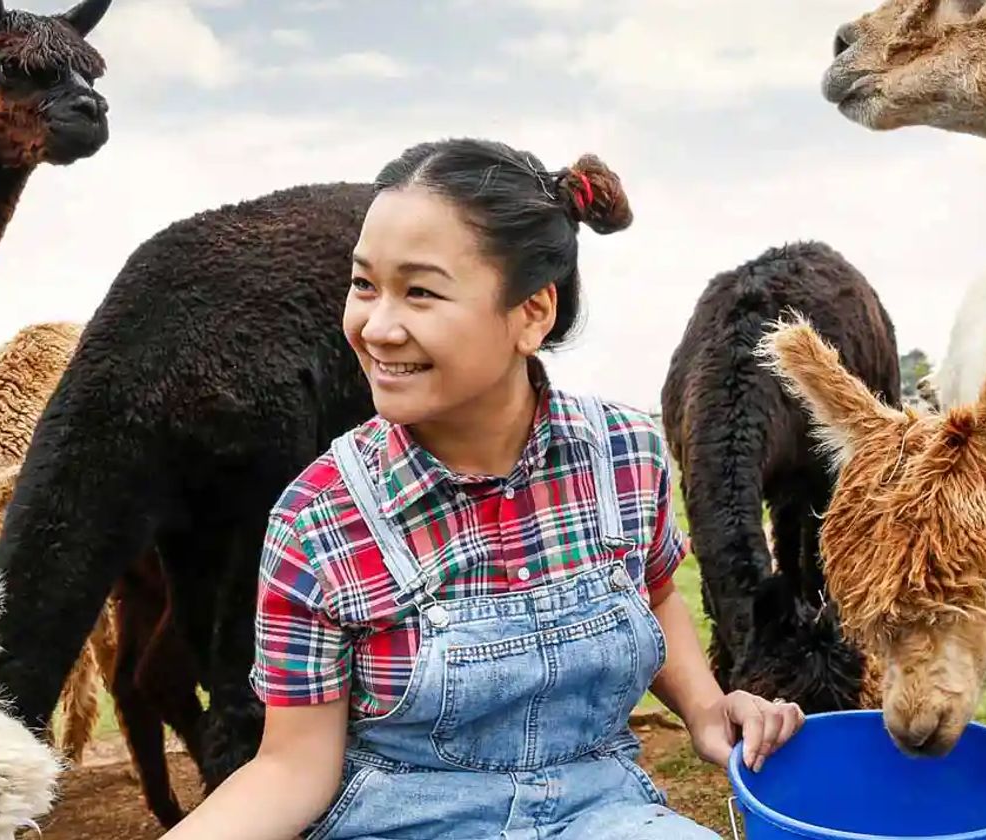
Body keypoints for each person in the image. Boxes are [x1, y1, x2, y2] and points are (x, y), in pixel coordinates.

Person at [164, 137, 805, 839]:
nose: (376, 327)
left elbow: (653, 595)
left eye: (420, 292)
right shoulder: (318, 520)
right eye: (363, 285)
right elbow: (291, 767)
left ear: (532, 312)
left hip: (600, 812)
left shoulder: (626, 453)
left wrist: (710, 711)